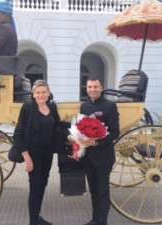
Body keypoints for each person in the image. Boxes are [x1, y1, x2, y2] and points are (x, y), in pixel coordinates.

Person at [69, 77, 120, 225]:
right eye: (90, 87)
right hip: (88, 157)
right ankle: (95, 220)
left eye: (95, 87)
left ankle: (102, 222)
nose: (92, 90)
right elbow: (80, 128)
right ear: (86, 88)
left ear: (101, 87)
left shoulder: (110, 106)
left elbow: (115, 132)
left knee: (103, 192)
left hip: (103, 157)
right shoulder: (84, 106)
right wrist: (78, 140)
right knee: (93, 192)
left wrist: (95, 142)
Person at [13, 80, 60, 225]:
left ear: (48, 93)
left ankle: (37, 217)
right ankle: (33, 222)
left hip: (48, 153)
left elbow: (57, 126)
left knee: (43, 184)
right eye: (38, 92)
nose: (41, 95)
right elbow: (18, 134)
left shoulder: (52, 106)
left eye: (44, 92)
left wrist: (76, 131)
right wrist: (27, 157)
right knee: (35, 187)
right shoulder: (28, 107)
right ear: (33, 94)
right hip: (33, 154)